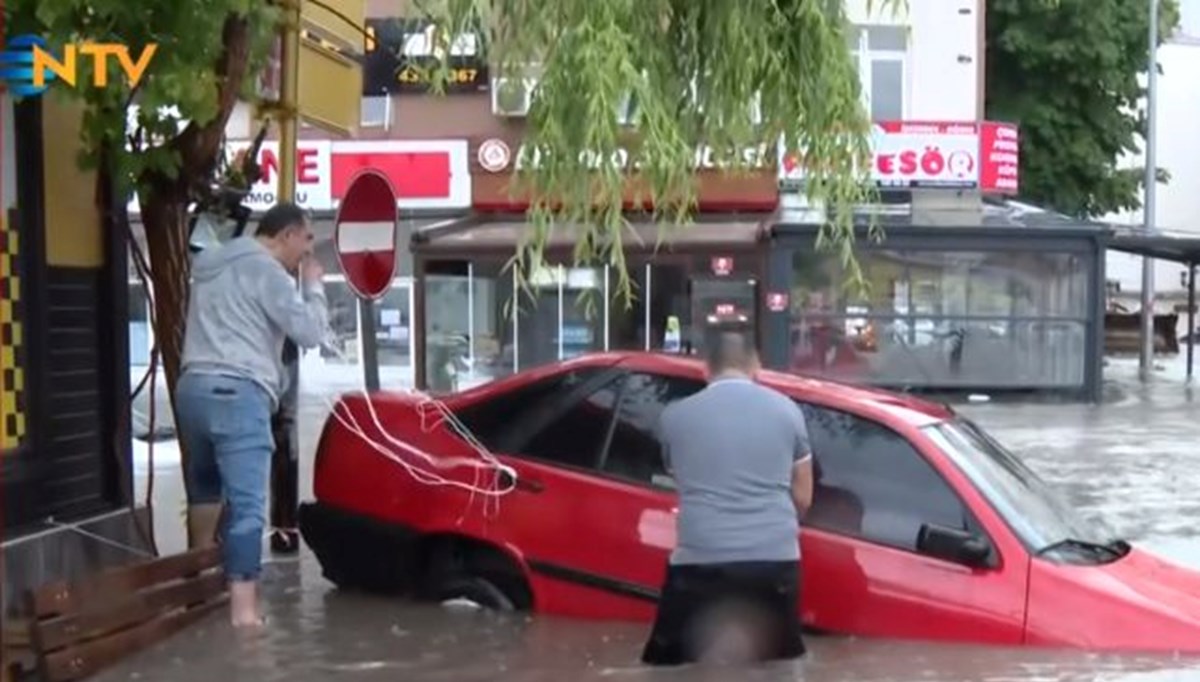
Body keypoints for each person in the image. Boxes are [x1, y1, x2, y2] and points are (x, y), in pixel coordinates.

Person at [175, 202, 329, 627]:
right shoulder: (268, 273)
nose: (309, 250)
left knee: (204, 492)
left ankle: (198, 594)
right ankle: (244, 617)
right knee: (248, 509)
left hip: (192, 390)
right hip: (237, 393)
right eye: (308, 238)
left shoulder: (210, 261)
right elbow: (310, 333)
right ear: (287, 235)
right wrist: (314, 288)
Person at [641, 325, 815, 665]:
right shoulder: (788, 411)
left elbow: (678, 477)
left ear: (706, 369)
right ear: (757, 367)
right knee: (777, 664)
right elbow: (804, 497)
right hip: (774, 560)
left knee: (669, 666)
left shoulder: (675, 417)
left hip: (699, 561)